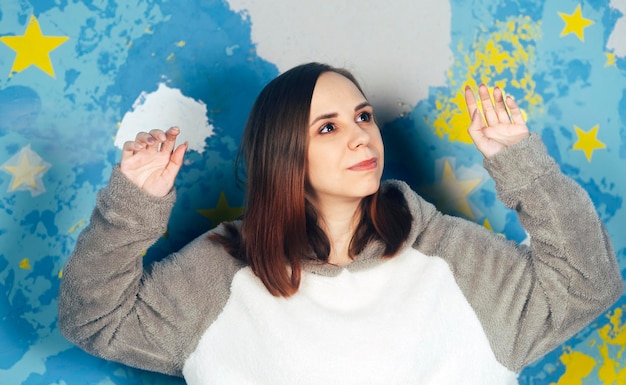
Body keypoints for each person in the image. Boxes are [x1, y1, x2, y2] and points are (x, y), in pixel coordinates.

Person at [58, 62, 623, 384]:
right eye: (327, 127)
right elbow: (95, 319)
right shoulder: (223, 269)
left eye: (363, 116)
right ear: (284, 154)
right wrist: (132, 204)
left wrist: (521, 162)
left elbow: (585, 286)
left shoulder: (450, 255)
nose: (360, 135)